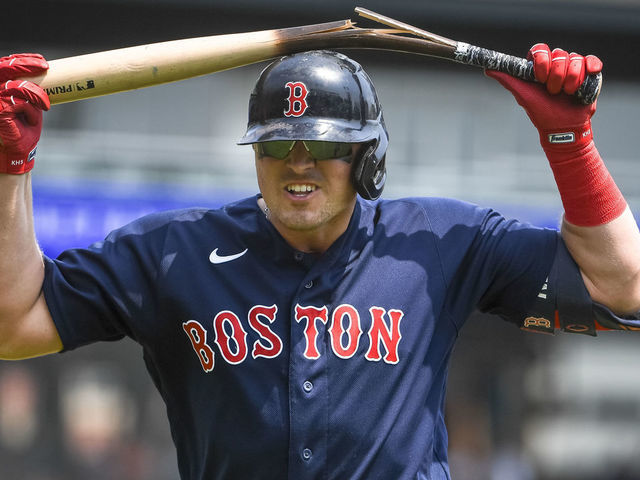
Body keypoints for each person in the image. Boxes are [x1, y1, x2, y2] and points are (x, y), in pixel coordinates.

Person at [0, 44, 639, 480]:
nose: (298, 162)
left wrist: (569, 143)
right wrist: (11, 167)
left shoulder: (439, 239)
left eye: (324, 145)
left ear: (370, 159)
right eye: (278, 144)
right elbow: (15, 323)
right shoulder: (174, 251)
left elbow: (620, 286)